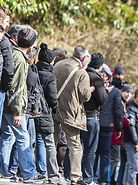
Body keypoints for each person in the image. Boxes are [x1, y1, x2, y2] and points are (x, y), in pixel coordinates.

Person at [0, 27, 45, 183]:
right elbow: (18, 87)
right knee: (23, 138)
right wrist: (18, 111)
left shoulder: (13, 53)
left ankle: (3, 170)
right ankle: (28, 173)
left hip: (6, 106)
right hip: (14, 108)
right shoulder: (20, 58)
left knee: (7, 137)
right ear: (31, 44)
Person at [53, 45, 93, 185]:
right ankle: (76, 177)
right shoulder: (82, 73)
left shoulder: (58, 65)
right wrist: (90, 89)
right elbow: (84, 96)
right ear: (83, 57)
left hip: (54, 109)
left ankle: (49, 172)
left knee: (52, 142)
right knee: (75, 145)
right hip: (71, 113)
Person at [36, 42, 68, 184]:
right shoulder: (50, 76)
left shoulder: (33, 70)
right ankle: (53, 175)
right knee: (49, 143)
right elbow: (52, 98)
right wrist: (55, 109)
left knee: (33, 141)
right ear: (51, 60)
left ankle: (33, 171)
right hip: (45, 112)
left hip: (31, 110)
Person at [82, 52, 108, 185]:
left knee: (75, 147)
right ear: (100, 65)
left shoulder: (82, 73)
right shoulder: (96, 78)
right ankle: (87, 178)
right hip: (91, 117)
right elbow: (102, 99)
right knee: (90, 150)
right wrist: (105, 89)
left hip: (78, 115)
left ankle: (70, 174)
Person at [95, 64, 123, 185]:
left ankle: (92, 177)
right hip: (108, 125)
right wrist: (119, 127)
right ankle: (104, 180)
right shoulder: (115, 92)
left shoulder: (95, 88)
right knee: (105, 153)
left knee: (93, 152)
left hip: (96, 123)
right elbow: (118, 111)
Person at [0, 7, 14, 129]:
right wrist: (5, 87)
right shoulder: (4, 40)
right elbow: (9, 68)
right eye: (7, 22)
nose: (8, 25)